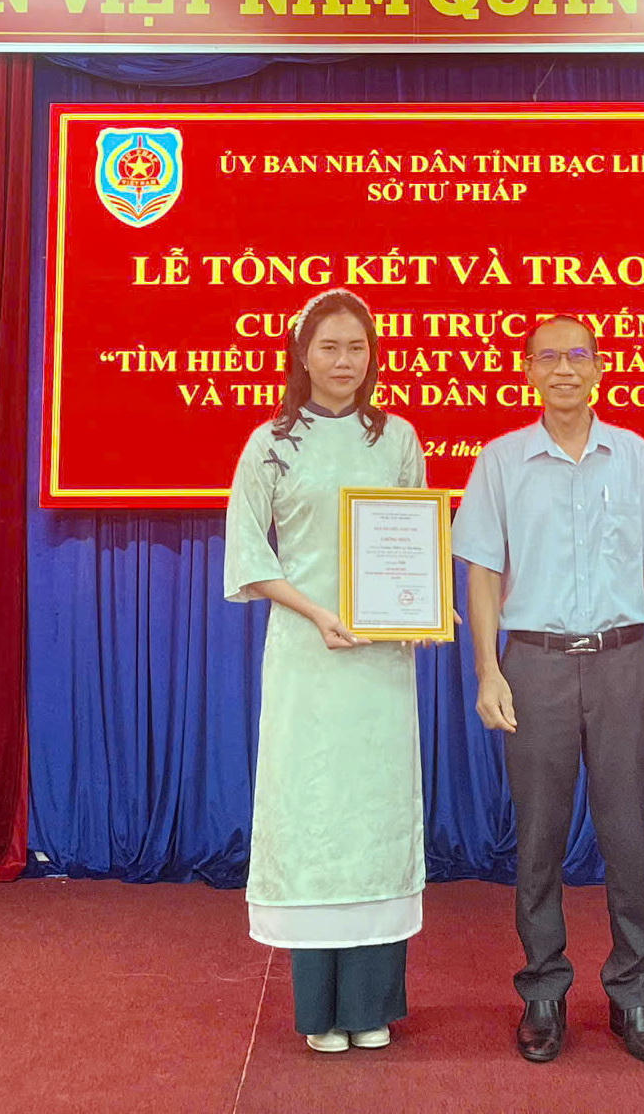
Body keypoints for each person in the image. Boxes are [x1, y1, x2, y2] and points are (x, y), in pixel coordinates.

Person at [453, 314, 644, 1067]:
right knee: (538, 838)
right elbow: (482, 574)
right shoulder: (500, 462)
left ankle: (633, 992)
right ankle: (543, 990)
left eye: (578, 355)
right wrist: (489, 670)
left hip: (623, 663)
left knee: (626, 835)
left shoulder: (636, 457)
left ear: (598, 368)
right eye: (548, 357)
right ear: (528, 371)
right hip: (534, 665)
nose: (564, 368)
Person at [223, 288, 427, 1054]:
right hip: (307, 658)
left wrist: (415, 612)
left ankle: (372, 1005)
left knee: (374, 813)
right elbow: (249, 554)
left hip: (379, 661)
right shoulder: (270, 443)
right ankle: (318, 1011)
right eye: (330, 346)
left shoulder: (397, 438)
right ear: (302, 355)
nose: (346, 361)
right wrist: (315, 613)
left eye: (357, 347)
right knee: (314, 812)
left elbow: (414, 539)